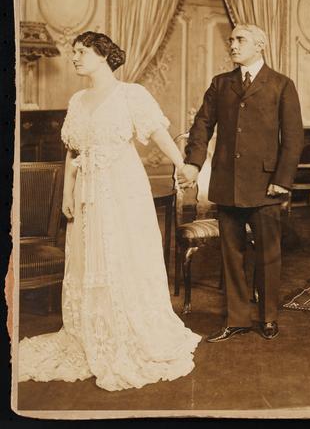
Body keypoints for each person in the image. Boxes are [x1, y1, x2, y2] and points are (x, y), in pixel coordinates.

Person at [19, 32, 201, 391]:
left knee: (123, 254)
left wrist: (182, 164)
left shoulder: (131, 94)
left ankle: (127, 327)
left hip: (123, 188)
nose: (75, 57)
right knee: (90, 256)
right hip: (87, 191)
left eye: (81, 52)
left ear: (103, 55)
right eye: (74, 52)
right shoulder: (77, 100)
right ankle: (93, 330)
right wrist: (67, 192)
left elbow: (159, 133)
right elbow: (72, 151)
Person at [180, 24, 303, 342]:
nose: (232, 45)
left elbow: (293, 138)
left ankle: (268, 317)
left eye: (240, 40)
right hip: (227, 182)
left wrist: (282, 180)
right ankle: (236, 319)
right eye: (231, 40)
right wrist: (193, 163)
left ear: (260, 45)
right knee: (231, 255)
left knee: (268, 255)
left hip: (266, 186)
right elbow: (202, 125)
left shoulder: (281, 84)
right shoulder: (221, 84)